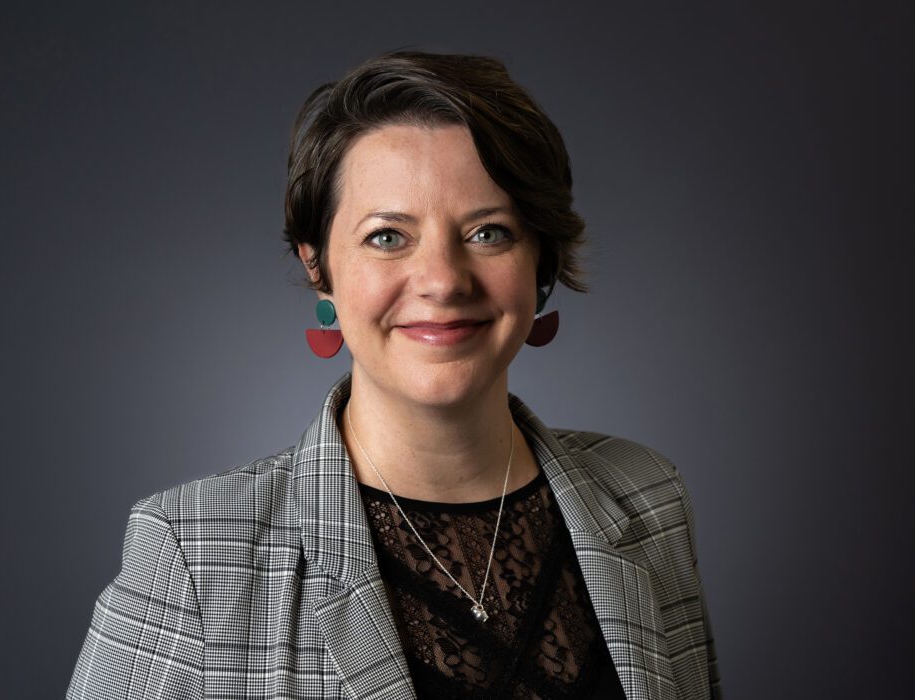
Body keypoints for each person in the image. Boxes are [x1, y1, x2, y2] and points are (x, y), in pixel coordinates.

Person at [67, 50, 721, 700]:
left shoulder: (646, 497)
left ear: (541, 261)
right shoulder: (193, 551)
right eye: (387, 236)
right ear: (318, 265)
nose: (443, 281)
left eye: (488, 232)